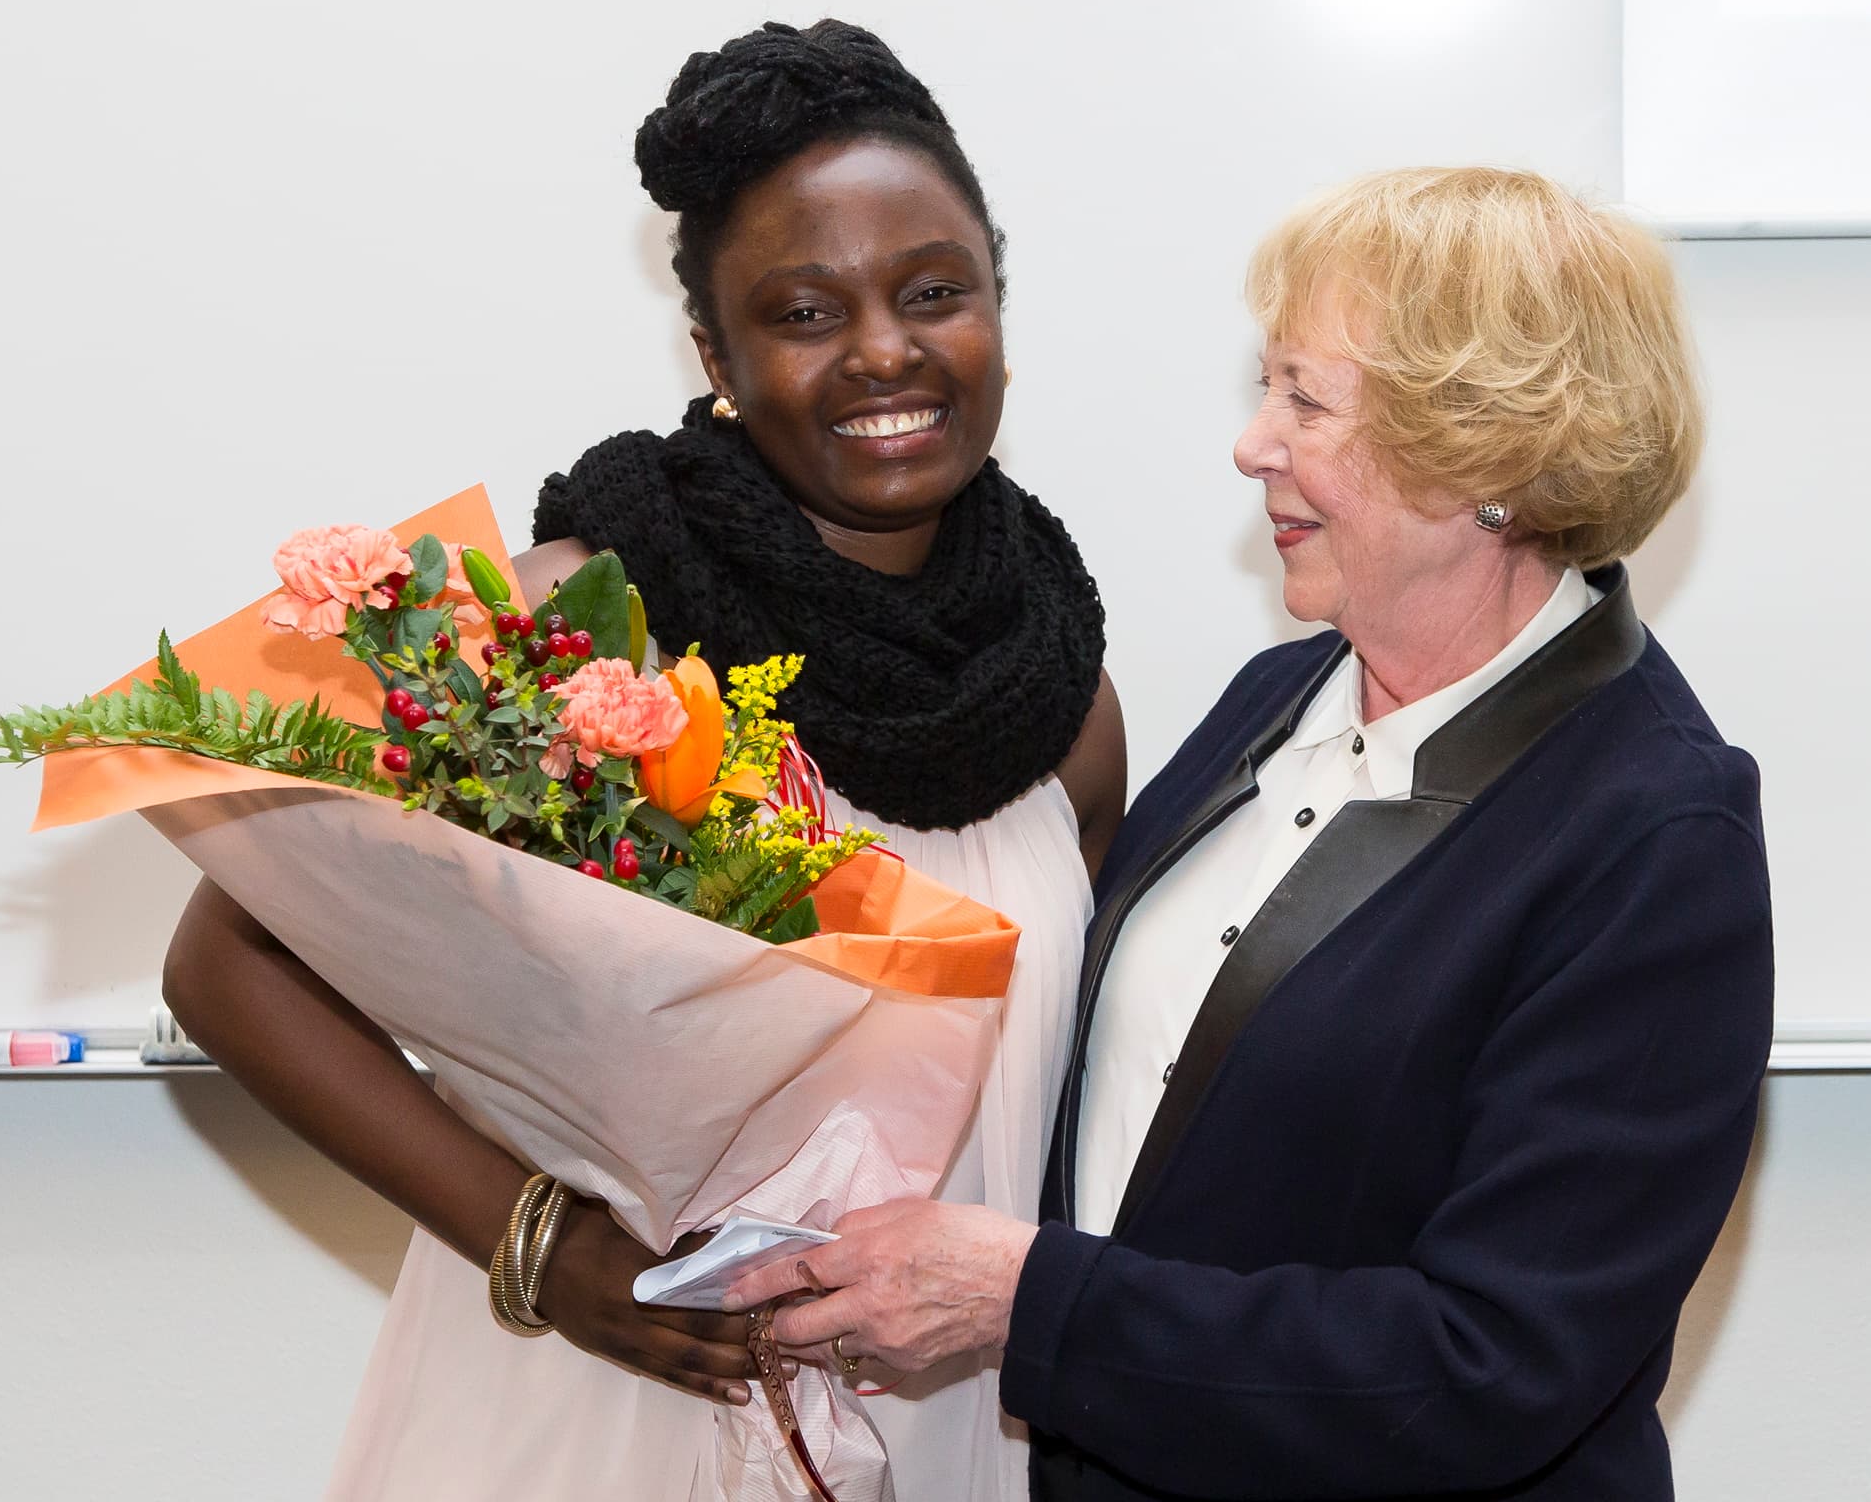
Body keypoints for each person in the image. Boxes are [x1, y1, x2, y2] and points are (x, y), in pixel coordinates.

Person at [162, 18, 1125, 1501]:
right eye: (806, 312)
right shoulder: (575, 623)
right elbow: (230, 969)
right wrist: (546, 1254)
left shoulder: (1061, 696)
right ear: (716, 355)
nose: (886, 350)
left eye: (935, 292)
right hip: (597, 1398)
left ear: (998, 294)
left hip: (940, 1421)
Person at [732, 166, 1774, 1501]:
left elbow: (1491, 1366)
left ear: (1487, 458)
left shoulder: (1652, 832)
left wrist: (1029, 1302)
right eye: (1264, 388)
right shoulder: (1285, 692)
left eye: (1305, 398)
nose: (1253, 444)